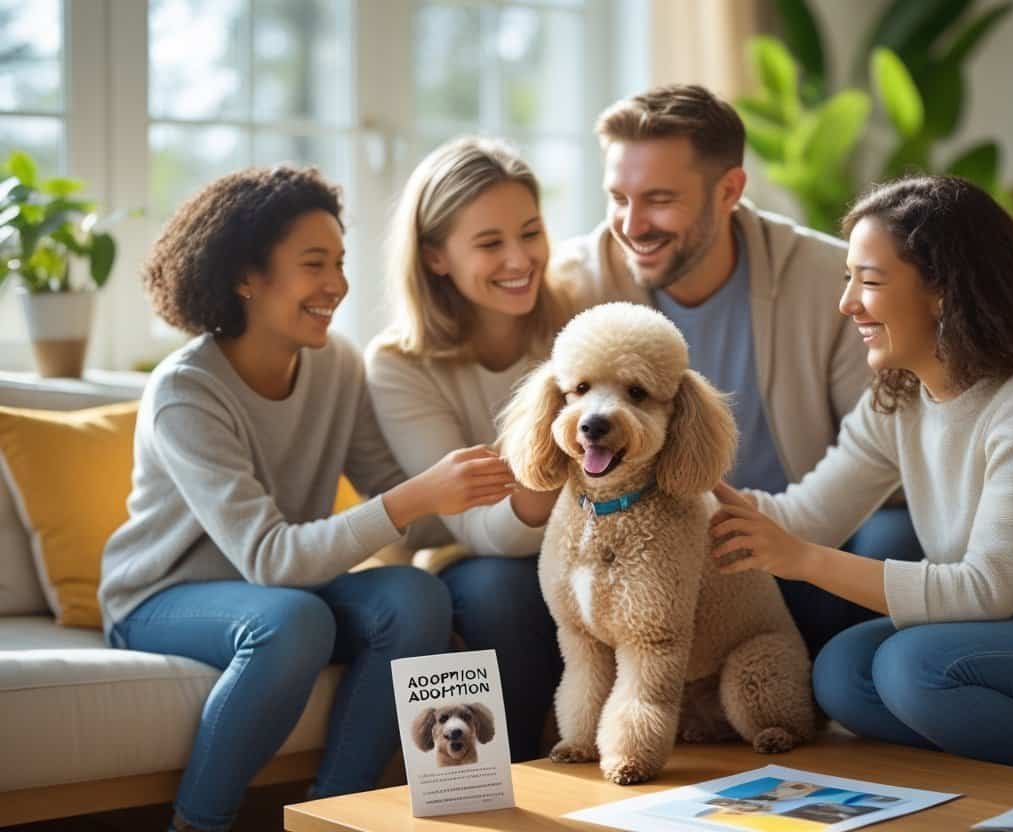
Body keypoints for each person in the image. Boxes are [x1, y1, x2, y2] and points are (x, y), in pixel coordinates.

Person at [709, 175, 1013, 775]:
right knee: (841, 671)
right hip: (1010, 646)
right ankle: (1008, 773)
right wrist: (683, 492)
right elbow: (805, 516)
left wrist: (801, 560)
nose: (847, 303)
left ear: (943, 291)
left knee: (912, 665)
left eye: (868, 281)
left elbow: (985, 591)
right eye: (849, 279)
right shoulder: (900, 401)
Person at [99, 166, 515, 832]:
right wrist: (414, 496)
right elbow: (269, 557)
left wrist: (499, 488)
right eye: (314, 264)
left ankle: (331, 817)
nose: (338, 286)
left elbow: (407, 510)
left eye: (341, 262)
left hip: (287, 590)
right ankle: (196, 824)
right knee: (293, 620)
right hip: (163, 596)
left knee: (416, 596)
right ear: (245, 275)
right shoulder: (186, 393)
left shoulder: (336, 365)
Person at [552, 83, 924, 658]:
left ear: (729, 190)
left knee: (893, 538)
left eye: (659, 199)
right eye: (617, 197)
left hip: (797, 534)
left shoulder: (833, 281)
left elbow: (885, 456)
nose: (632, 223)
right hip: (637, 539)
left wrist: (774, 532)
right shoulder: (575, 282)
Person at [366, 137, 569, 761]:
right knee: (499, 588)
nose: (519, 259)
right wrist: (557, 467)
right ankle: (523, 783)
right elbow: (481, 529)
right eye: (489, 244)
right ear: (435, 257)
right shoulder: (399, 365)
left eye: (530, 233)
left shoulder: (578, 326)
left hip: (597, 536)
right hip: (476, 551)